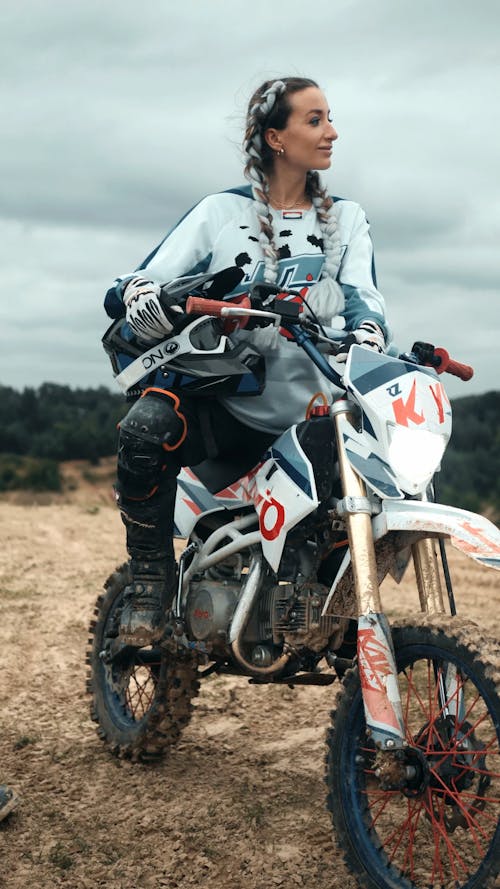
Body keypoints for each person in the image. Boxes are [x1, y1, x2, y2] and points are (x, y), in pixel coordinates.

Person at [104, 76, 389, 647]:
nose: (332, 132)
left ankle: (301, 614)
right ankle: (149, 585)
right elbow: (129, 286)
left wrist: (369, 334)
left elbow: (366, 299)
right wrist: (143, 299)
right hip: (229, 413)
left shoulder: (347, 219)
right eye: (315, 120)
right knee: (145, 428)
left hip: (314, 417)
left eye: (329, 117)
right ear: (276, 138)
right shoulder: (220, 212)